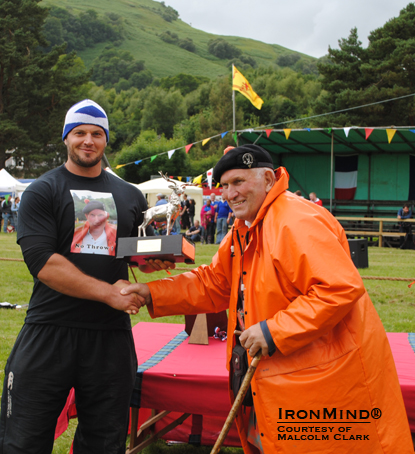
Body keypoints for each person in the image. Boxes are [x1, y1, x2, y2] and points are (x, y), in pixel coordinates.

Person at [120, 144, 413, 454]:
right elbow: (215, 283)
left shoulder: (295, 220)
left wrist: (273, 331)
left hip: (322, 386)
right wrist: (152, 292)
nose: (230, 193)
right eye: (225, 185)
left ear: (269, 180)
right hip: (282, 379)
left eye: (239, 182)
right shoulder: (244, 228)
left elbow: (338, 288)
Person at [0, 99, 174, 454]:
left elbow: (129, 252)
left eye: (97, 133)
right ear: (65, 138)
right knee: (23, 441)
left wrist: (147, 263)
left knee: (104, 443)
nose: (88, 140)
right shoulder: (42, 190)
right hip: (49, 329)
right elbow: (43, 262)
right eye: (79, 132)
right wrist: (109, 293)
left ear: (106, 140)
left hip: (109, 338)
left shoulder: (129, 195)